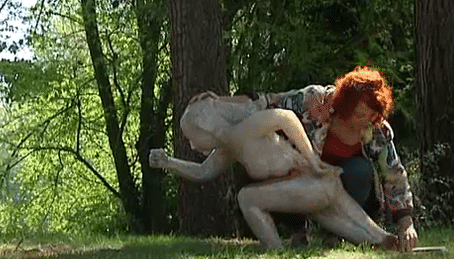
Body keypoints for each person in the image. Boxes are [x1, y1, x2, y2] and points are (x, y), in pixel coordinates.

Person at [149, 91, 399, 250]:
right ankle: (383, 240)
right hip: (310, 189)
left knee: (246, 197)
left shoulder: (244, 130)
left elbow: (286, 117)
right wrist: (169, 162)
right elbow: (204, 172)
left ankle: (273, 247)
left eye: (193, 138)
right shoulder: (229, 148)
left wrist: (312, 160)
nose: (193, 145)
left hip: (311, 182)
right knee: (348, 223)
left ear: (208, 127)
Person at [260, 66, 418, 252]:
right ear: (345, 106)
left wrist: (406, 223)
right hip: (301, 177)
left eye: (372, 116)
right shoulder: (314, 102)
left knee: (361, 171)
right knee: (285, 165)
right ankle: (297, 229)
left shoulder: (378, 132)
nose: (366, 121)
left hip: (342, 186)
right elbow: (268, 103)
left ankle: (336, 232)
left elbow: (395, 176)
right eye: (359, 114)